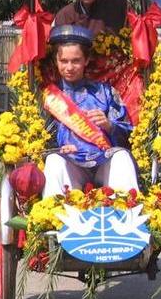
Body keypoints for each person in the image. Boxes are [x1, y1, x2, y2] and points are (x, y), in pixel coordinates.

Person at [41, 25, 138, 198]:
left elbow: (130, 135)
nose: (69, 67)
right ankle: (51, 221)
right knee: (54, 161)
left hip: (103, 163)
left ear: (86, 60)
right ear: (56, 61)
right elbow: (39, 143)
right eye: (64, 61)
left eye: (76, 61)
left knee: (122, 158)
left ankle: (129, 217)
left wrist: (109, 126)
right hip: (71, 165)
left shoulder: (105, 92)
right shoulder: (49, 98)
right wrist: (57, 149)